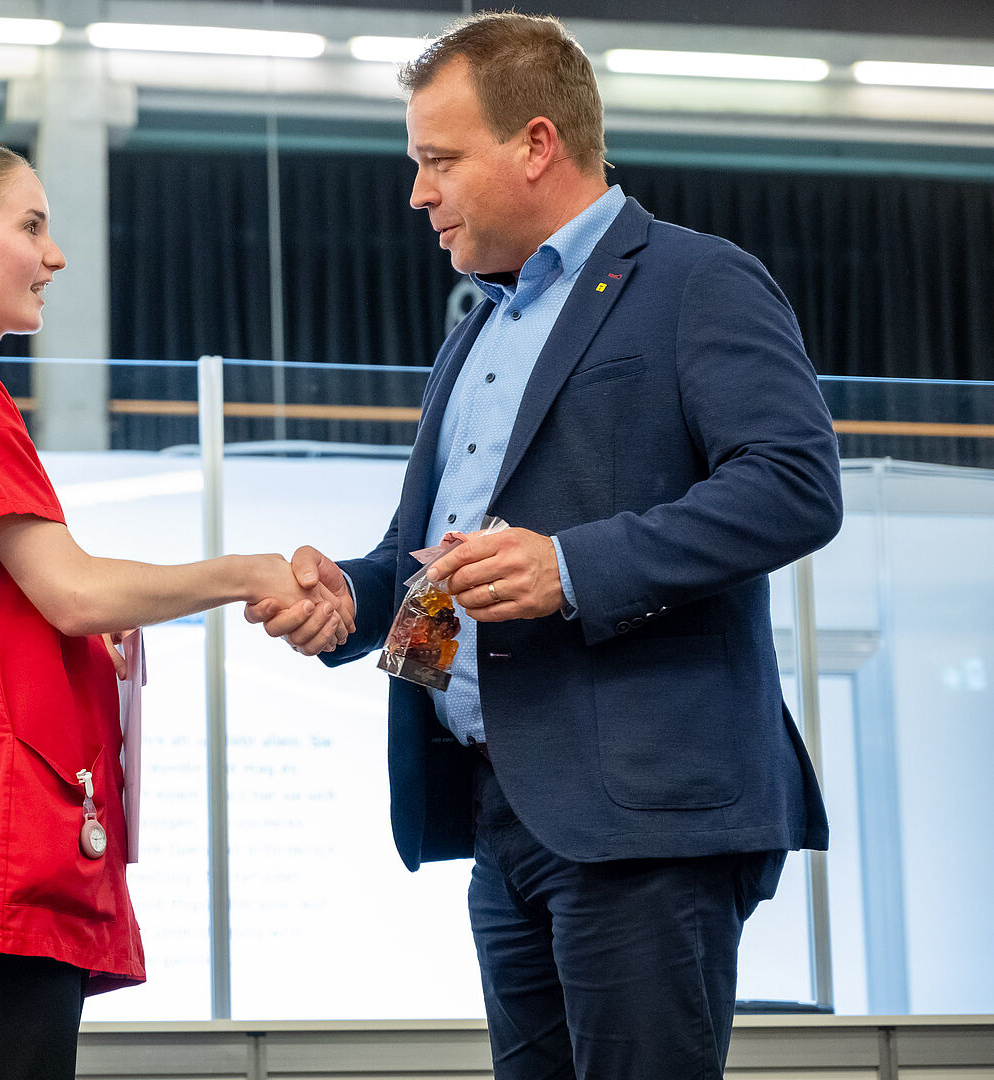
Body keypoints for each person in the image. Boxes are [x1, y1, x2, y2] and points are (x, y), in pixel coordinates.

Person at [247, 13, 842, 1080]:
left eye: (438, 161)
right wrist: (351, 597)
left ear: (535, 144)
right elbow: (432, 556)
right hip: (503, 812)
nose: (418, 193)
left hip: (645, 822)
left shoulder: (697, 279)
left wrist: (569, 568)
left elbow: (792, 486)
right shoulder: (478, 329)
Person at [0, 141, 343, 1080]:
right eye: (32, 226)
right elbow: (71, 591)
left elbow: (17, 603)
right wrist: (247, 571)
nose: (55, 254)